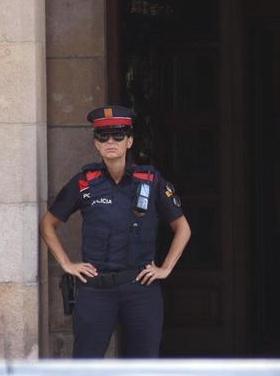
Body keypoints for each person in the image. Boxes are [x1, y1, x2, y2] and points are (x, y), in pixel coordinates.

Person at [40, 106, 191, 358]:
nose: (111, 142)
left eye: (118, 136)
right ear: (96, 144)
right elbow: (48, 223)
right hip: (96, 289)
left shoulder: (151, 182)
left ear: (129, 141)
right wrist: (67, 264)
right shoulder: (84, 182)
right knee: (86, 366)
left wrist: (166, 268)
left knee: (143, 368)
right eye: (103, 137)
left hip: (140, 287)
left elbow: (182, 228)